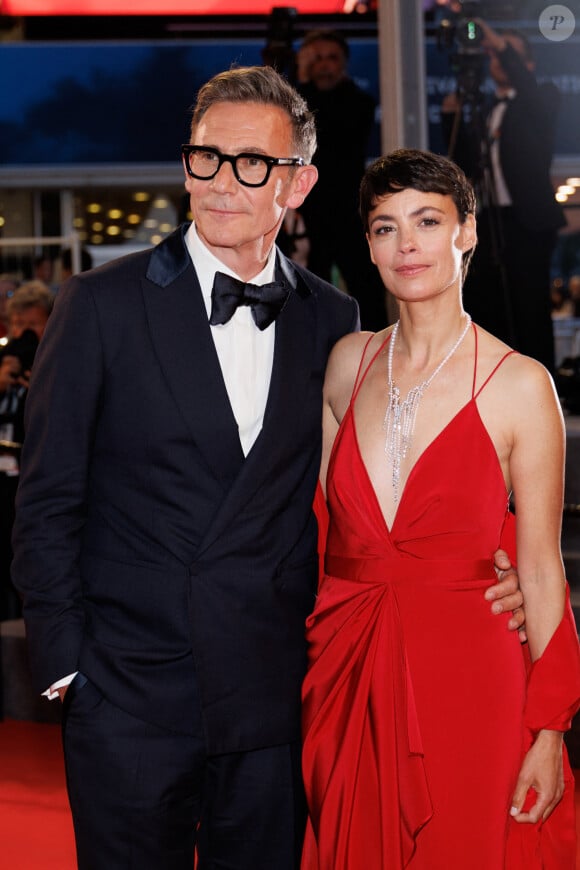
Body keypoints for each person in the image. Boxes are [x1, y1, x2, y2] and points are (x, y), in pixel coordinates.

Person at [12, 69, 521, 870]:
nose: (221, 184)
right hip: (129, 691)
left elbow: (372, 489)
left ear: (298, 183)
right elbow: (48, 499)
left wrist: (499, 565)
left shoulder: (334, 319)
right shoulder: (101, 303)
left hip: (274, 694)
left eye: (251, 164)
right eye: (205, 158)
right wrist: (67, 667)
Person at [301, 148, 580, 868]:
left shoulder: (521, 384)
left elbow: (543, 571)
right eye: (385, 227)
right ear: (368, 245)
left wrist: (550, 732)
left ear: (468, 232)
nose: (407, 245)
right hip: (349, 666)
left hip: (472, 675)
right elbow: (320, 533)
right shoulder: (346, 364)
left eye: (427, 221)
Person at [441, 21, 565, 374]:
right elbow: (465, 169)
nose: (495, 58)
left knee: (530, 306)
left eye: (504, 54)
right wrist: (452, 120)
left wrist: (496, 38)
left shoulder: (542, 98)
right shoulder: (487, 106)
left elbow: (528, 89)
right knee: (490, 304)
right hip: (493, 220)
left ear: (527, 64)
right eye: (492, 54)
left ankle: (543, 384)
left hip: (529, 222)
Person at [297, 29, 388, 332]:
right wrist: (300, 73)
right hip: (308, 213)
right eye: (317, 59)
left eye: (331, 58)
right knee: (307, 294)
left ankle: (379, 354)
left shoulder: (359, 102)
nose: (324, 65)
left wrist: (305, 80)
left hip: (351, 213)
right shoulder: (299, 98)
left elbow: (329, 125)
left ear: (344, 63)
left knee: (367, 292)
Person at [0, 280, 52, 621]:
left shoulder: (59, 361)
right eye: (16, 325)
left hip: (35, 484)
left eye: (31, 325)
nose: (22, 335)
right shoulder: (4, 361)